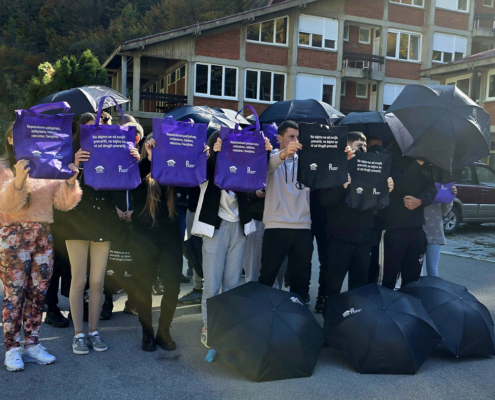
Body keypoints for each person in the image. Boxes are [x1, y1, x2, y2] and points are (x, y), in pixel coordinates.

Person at [0, 123, 82, 371]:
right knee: (15, 294)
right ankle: (12, 348)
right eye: (19, 134)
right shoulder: (3, 167)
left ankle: (32, 343)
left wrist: (70, 183)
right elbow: (6, 206)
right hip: (13, 235)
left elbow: (63, 204)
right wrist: (18, 179)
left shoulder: (48, 166)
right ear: (10, 139)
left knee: (38, 294)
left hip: (43, 235)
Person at [64, 112, 140, 355]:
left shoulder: (112, 151)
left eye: (96, 128)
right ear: (80, 132)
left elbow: (127, 182)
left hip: (103, 221)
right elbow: (62, 193)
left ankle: (94, 331)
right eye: (88, 128)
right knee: (79, 280)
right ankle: (78, 334)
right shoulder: (70, 154)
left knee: (97, 281)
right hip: (76, 221)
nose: (93, 132)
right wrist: (75, 166)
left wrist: (134, 160)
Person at [192, 129, 271, 348]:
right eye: (222, 144)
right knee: (212, 284)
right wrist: (214, 155)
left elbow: (258, 170)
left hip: (239, 227)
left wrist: (264, 152)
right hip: (214, 228)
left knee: (232, 284)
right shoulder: (208, 166)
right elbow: (200, 173)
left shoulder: (241, 169)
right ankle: (208, 327)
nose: (227, 148)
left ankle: (227, 327)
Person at [124, 136, 200, 351]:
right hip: (143, 236)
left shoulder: (174, 173)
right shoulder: (139, 171)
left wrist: (199, 160)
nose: (157, 151)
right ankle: (147, 331)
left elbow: (193, 198)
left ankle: (164, 329)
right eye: (153, 146)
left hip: (170, 236)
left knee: (173, 285)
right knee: (143, 285)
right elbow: (131, 182)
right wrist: (149, 159)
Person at [320, 132, 394, 300]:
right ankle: (330, 312)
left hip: (364, 237)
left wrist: (386, 191)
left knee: (359, 287)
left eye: (365, 146)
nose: (363, 150)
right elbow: (325, 201)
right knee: (333, 283)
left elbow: (378, 206)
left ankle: (356, 315)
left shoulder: (373, 172)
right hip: (340, 237)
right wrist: (342, 185)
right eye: (359, 146)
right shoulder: (335, 168)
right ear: (347, 148)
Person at [376, 141, 437, 289]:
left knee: (412, 279)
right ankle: (387, 302)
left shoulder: (424, 159)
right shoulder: (388, 155)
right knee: (388, 278)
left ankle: (409, 302)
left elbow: (432, 189)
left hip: (416, 226)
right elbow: (399, 186)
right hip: (393, 225)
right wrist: (417, 164)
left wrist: (420, 200)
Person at [422, 186, 456, 277]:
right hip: (417, 231)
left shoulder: (441, 185)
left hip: (434, 233)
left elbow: (445, 212)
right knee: (416, 271)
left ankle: (433, 286)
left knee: (432, 270)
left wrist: (450, 196)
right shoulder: (418, 183)